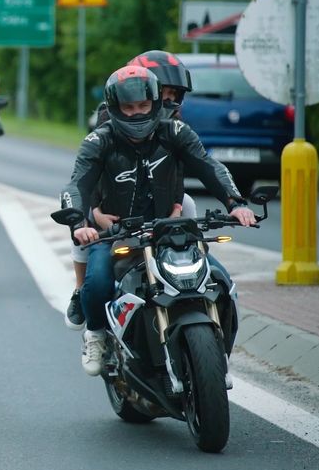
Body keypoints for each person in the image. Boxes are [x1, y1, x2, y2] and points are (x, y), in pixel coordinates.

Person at [60, 65, 253, 376]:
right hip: (116, 233)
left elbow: (208, 166)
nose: (137, 114)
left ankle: (218, 352)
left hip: (169, 231)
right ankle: (96, 335)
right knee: (95, 283)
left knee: (221, 281)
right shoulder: (99, 140)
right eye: (128, 107)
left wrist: (235, 202)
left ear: (154, 103)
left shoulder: (176, 132)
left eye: (143, 106)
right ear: (115, 108)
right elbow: (76, 185)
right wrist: (78, 223)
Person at [65, 50, 195, 330]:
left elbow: (176, 169)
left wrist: (174, 206)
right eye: (165, 92)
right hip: (108, 205)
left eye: (175, 93)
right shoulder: (108, 119)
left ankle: (193, 266)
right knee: (81, 218)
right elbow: (94, 176)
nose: (170, 100)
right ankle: (79, 291)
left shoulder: (176, 123)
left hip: (155, 205)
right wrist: (96, 211)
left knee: (190, 204)